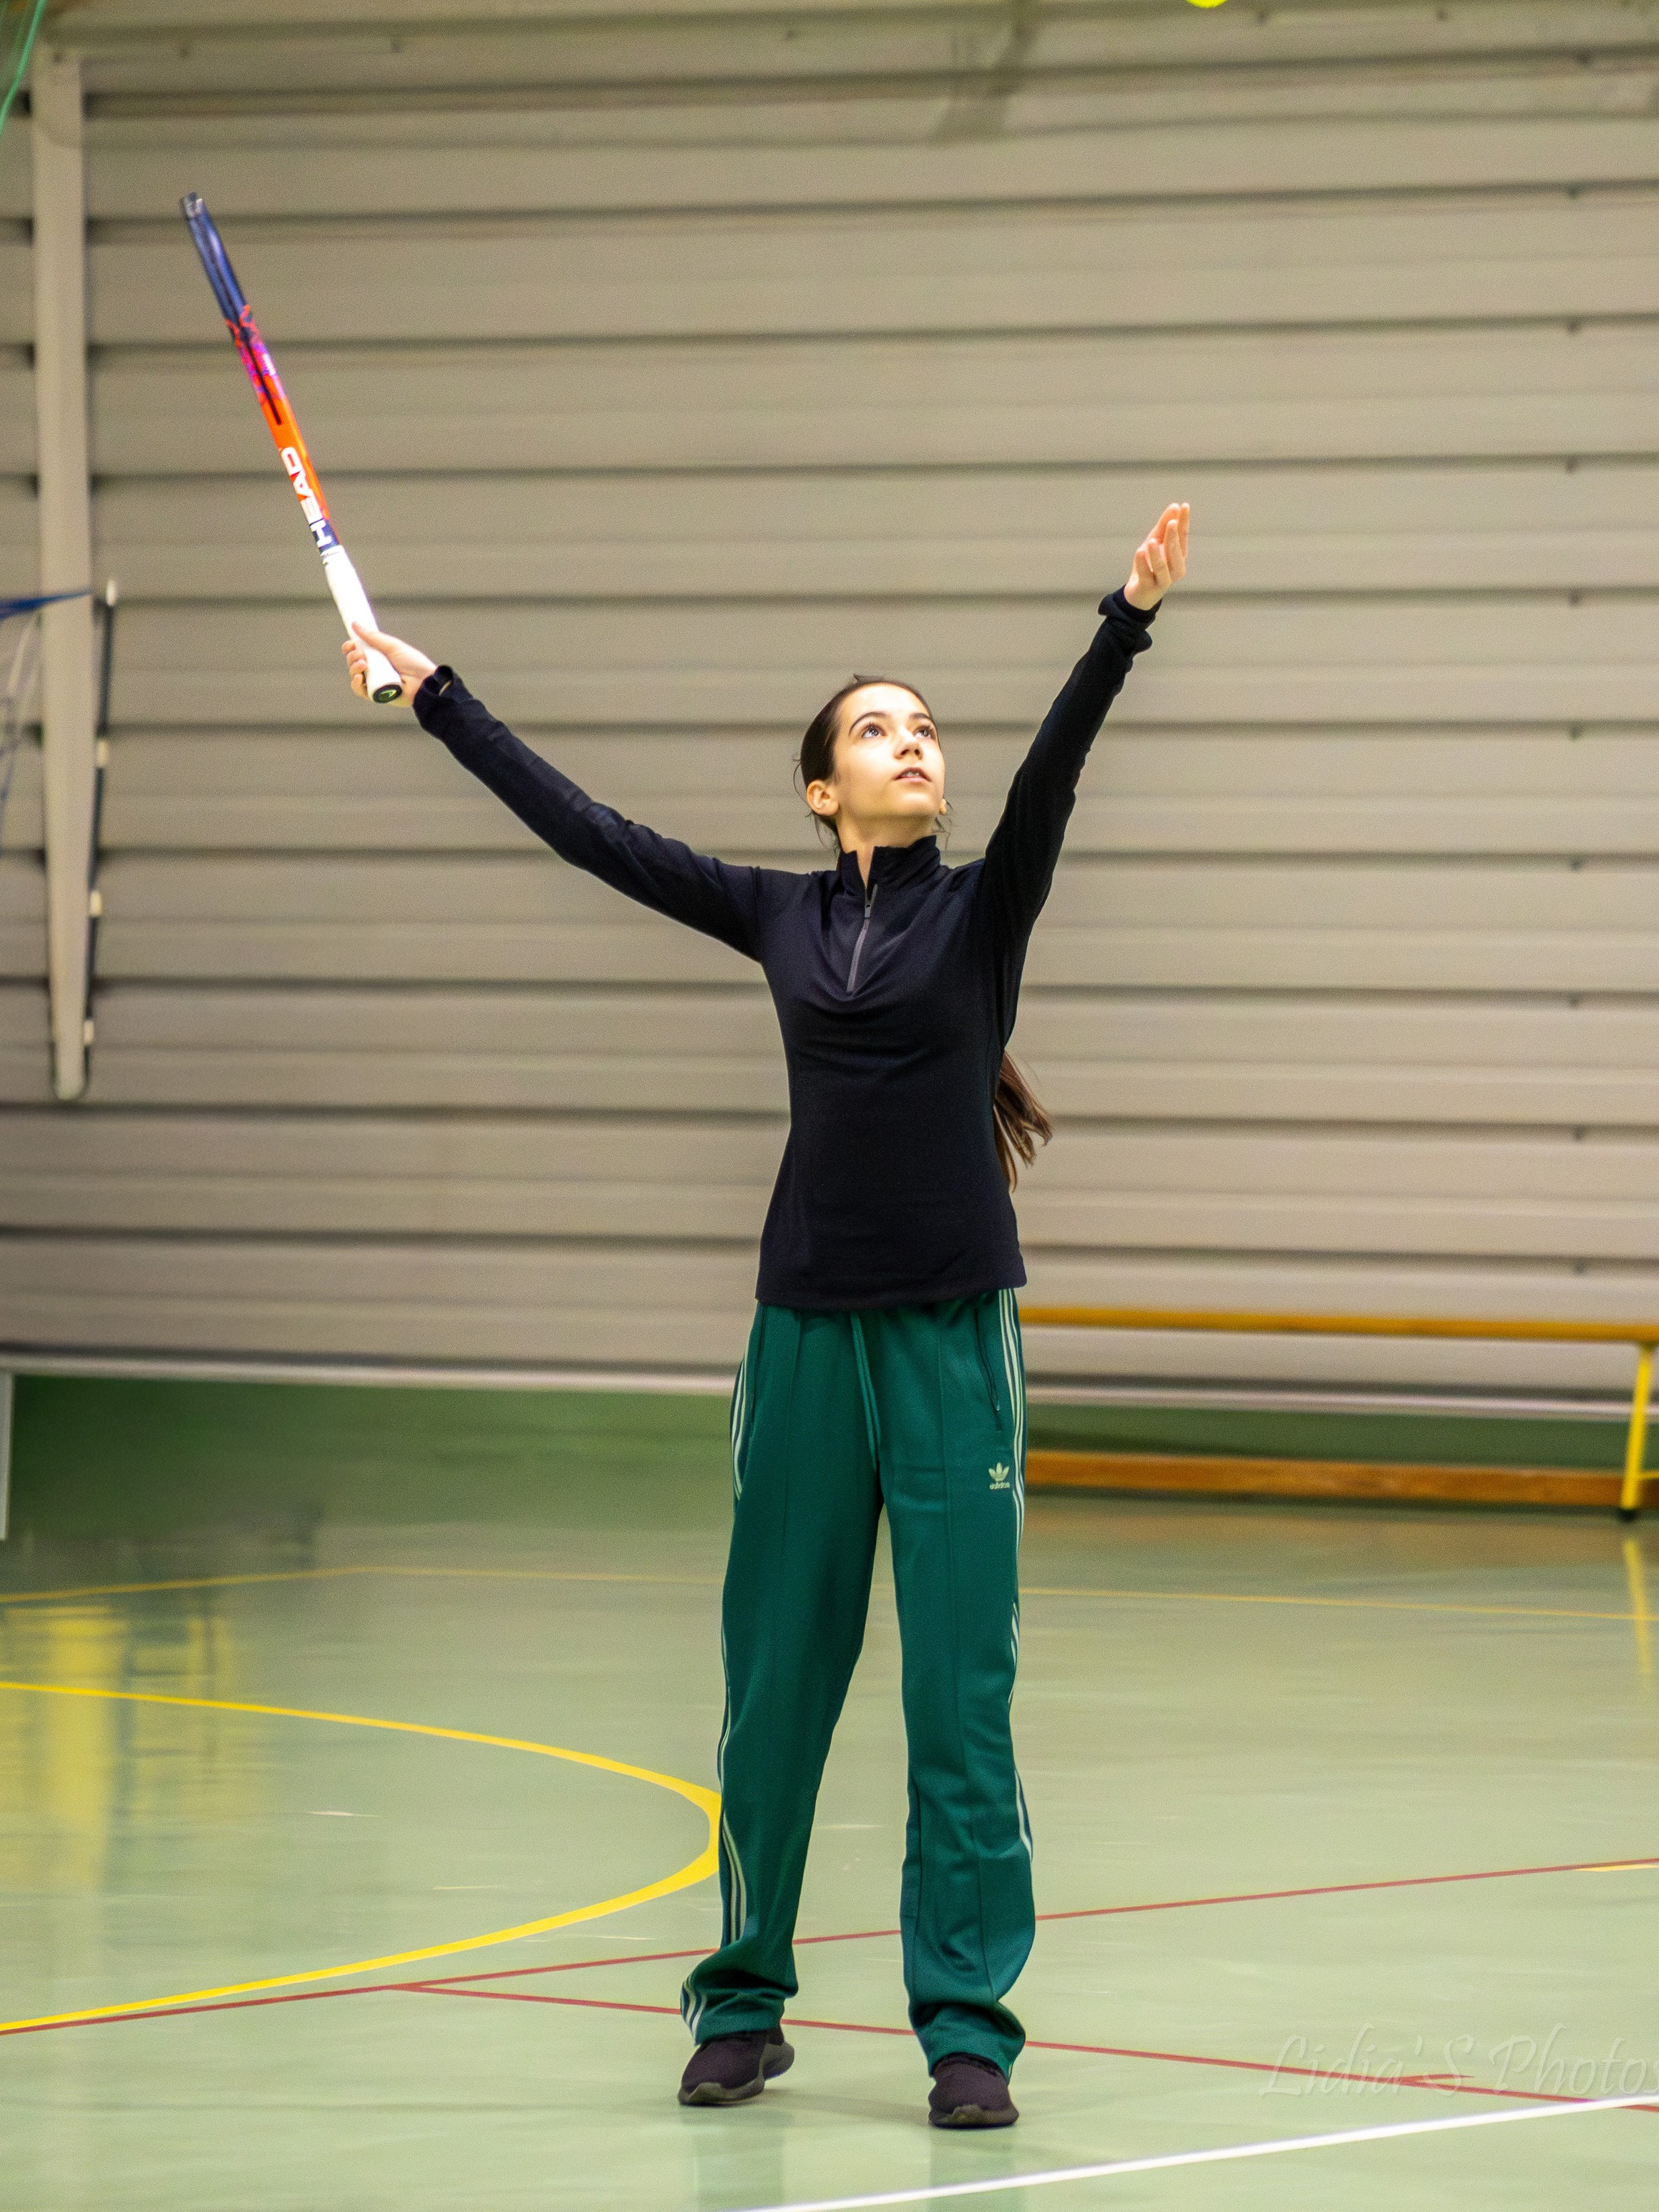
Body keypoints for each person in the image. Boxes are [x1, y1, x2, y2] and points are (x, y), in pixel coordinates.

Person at [345, 501, 1190, 2130]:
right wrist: (439, 698)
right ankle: (741, 2000)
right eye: (879, 730)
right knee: (774, 1687)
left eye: (925, 727)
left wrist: (1123, 617)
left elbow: (1055, 773)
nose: (915, 743)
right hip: (803, 1336)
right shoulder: (777, 915)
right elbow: (589, 830)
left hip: (953, 1344)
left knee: (960, 1700)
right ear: (824, 790)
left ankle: (965, 2029)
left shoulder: (979, 906)